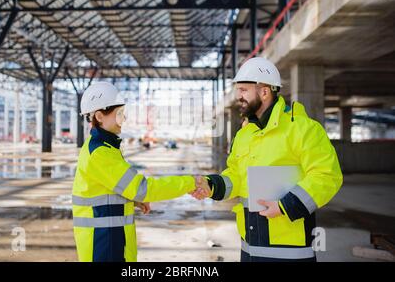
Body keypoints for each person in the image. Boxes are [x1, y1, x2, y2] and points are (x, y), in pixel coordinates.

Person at [193, 57, 343, 262]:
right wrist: (213, 186)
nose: (239, 96)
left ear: (264, 91)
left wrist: (285, 206)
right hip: (250, 248)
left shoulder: (303, 129)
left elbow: (327, 176)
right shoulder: (244, 135)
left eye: (244, 90)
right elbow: (236, 176)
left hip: (290, 252)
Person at [72, 81, 210, 262]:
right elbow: (143, 188)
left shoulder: (104, 147)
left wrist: (131, 200)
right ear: (99, 116)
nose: (124, 119)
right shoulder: (100, 153)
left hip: (108, 241)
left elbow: (106, 190)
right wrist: (190, 182)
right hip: (104, 246)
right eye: (119, 114)